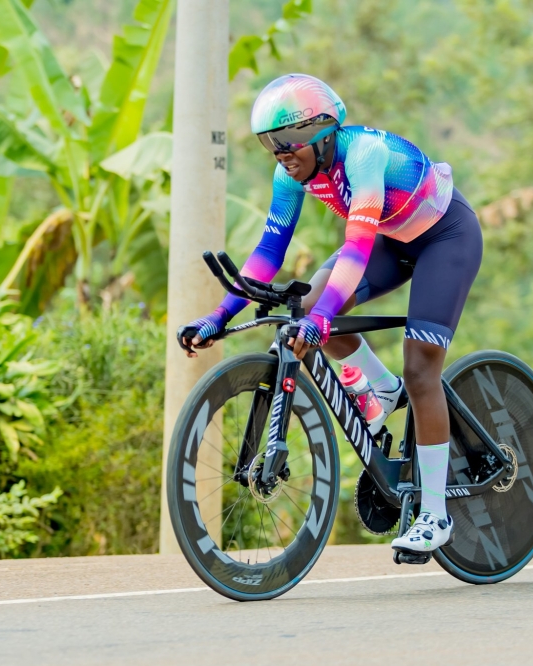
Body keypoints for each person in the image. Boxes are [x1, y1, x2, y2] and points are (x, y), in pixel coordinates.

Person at [180, 73, 483, 557]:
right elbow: (267, 252)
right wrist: (218, 316)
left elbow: (357, 248)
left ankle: (434, 514)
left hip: (444, 238)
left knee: (421, 370)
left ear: (323, 131)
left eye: (290, 140)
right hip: (395, 238)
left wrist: (320, 318)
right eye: (270, 143)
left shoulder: (363, 155)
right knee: (312, 302)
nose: (281, 152)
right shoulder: (290, 174)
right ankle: (382, 387)